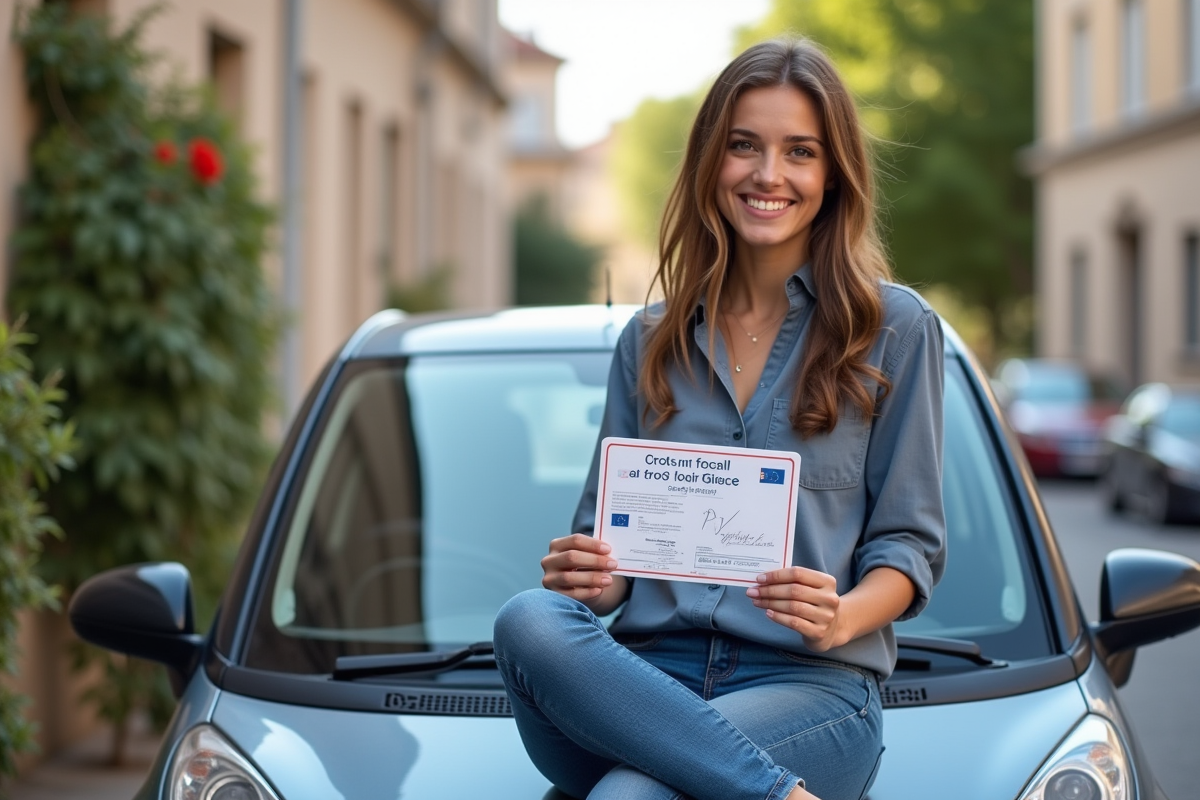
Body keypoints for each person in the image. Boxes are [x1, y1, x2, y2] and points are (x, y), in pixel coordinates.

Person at [493, 38, 946, 800]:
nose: (769, 175)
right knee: (527, 618)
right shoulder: (648, 340)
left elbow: (910, 545)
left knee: (629, 796)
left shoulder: (895, 329)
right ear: (712, 162)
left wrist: (841, 617)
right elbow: (607, 564)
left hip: (810, 686)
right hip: (641, 683)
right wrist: (591, 579)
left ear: (832, 174)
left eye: (799, 151)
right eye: (744, 146)